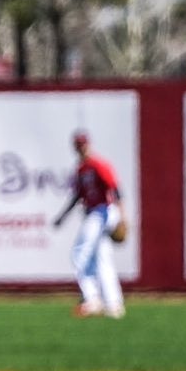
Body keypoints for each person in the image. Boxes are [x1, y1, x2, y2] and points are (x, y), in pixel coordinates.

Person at [52, 129, 127, 319]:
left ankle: (92, 298)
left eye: (83, 144)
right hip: (94, 213)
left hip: (103, 211)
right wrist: (63, 216)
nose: (81, 147)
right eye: (78, 145)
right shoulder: (81, 170)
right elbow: (77, 196)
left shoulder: (98, 165)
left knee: (79, 253)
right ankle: (114, 304)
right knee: (103, 258)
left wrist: (123, 217)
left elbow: (115, 189)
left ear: (89, 145)